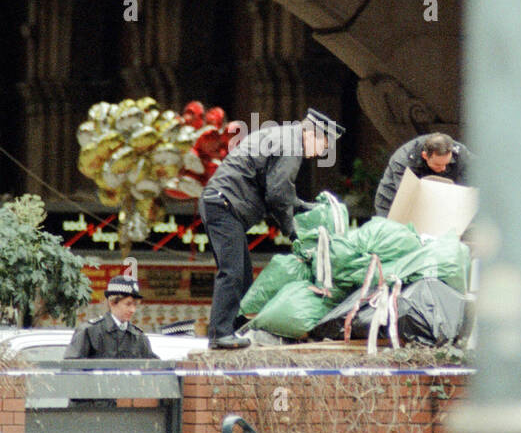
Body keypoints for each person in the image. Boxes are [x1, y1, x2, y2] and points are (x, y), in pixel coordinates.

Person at [199, 107, 344, 349]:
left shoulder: (284, 136)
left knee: (243, 275)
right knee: (232, 272)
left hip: (221, 202)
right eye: (324, 145)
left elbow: (279, 190)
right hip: (224, 204)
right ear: (312, 134)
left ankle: (233, 329)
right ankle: (219, 335)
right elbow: (278, 193)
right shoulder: (292, 144)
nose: (322, 152)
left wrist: (305, 207)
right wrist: (293, 232)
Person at [373, 132, 471, 218]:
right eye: (438, 165)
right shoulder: (403, 161)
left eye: (447, 163)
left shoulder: (461, 154)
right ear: (425, 156)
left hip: (441, 203)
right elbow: (409, 198)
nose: (443, 168)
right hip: (394, 202)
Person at [69, 275, 157, 359]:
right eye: (128, 304)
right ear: (112, 303)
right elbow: (72, 367)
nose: (132, 310)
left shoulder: (138, 336)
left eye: (135, 305)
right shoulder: (89, 332)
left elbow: (154, 367)